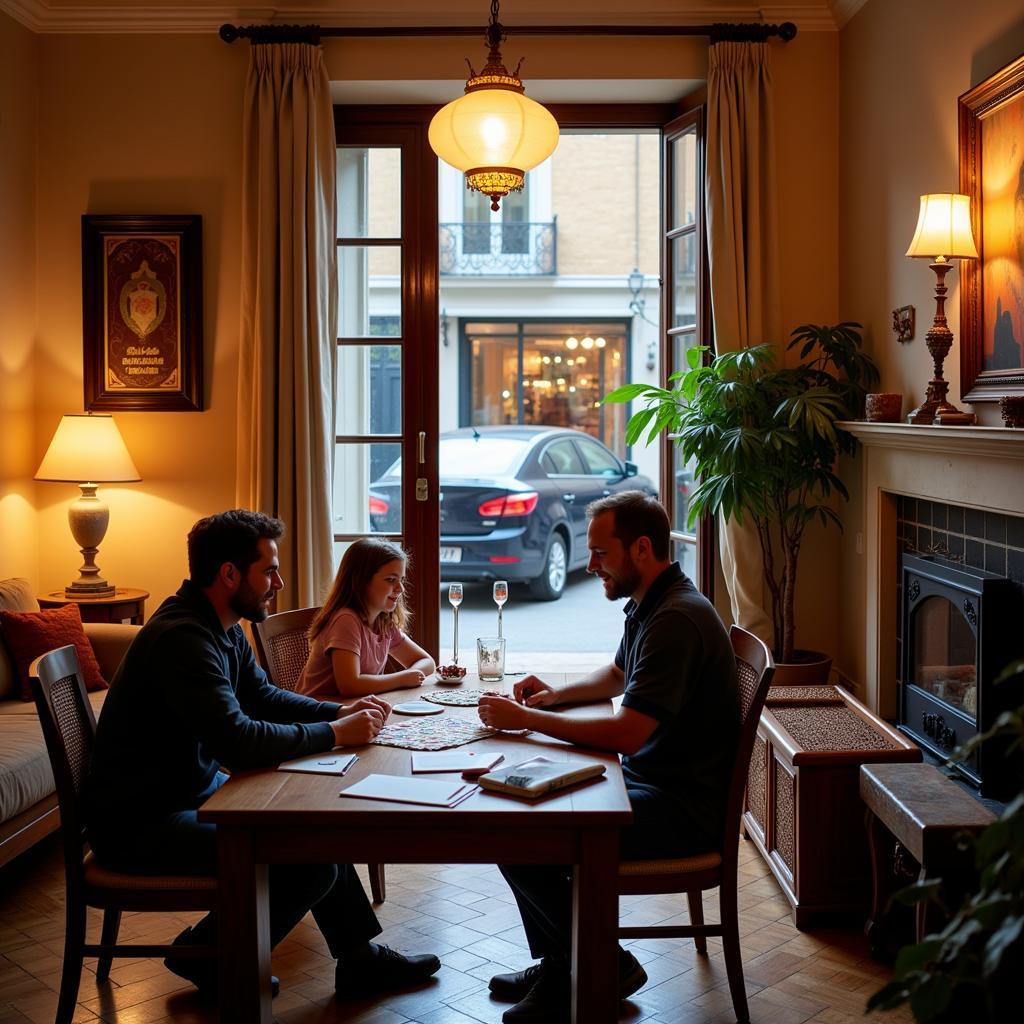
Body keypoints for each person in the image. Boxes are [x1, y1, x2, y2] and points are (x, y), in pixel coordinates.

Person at [84, 510, 441, 1000]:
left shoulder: (221, 625)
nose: (280, 581)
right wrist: (335, 733)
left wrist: (338, 711)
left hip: (191, 794)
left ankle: (358, 959)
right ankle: (208, 952)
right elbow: (238, 741)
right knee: (308, 856)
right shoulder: (183, 639)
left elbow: (263, 697)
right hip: (142, 823)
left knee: (318, 827)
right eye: (269, 571)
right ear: (229, 574)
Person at [477, 491, 740, 1024]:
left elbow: (628, 735)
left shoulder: (675, 620)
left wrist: (528, 721)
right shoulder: (656, 601)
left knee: (518, 830)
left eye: (600, 553)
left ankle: (593, 964)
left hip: (681, 809)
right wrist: (553, 694)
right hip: (652, 782)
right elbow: (618, 675)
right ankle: (565, 962)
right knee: (518, 815)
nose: (590, 563)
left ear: (641, 548)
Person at [296, 538, 436, 699]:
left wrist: (411, 674)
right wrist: (403, 679)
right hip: (319, 715)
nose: (401, 588)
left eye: (401, 579)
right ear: (361, 581)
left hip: (353, 709)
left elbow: (426, 661)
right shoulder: (346, 620)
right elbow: (350, 685)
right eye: (390, 579)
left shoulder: (383, 621)